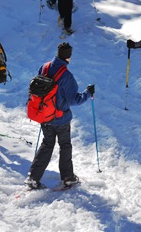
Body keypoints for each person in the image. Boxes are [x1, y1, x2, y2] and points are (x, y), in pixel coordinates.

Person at [25, 42, 94, 190]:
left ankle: (33, 177)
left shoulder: (44, 67)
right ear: (69, 57)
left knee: (47, 144)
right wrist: (88, 93)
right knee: (65, 146)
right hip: (61, 119)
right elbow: (74, 100)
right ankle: (68, 178)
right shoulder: (66, 76)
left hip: (44, 116)